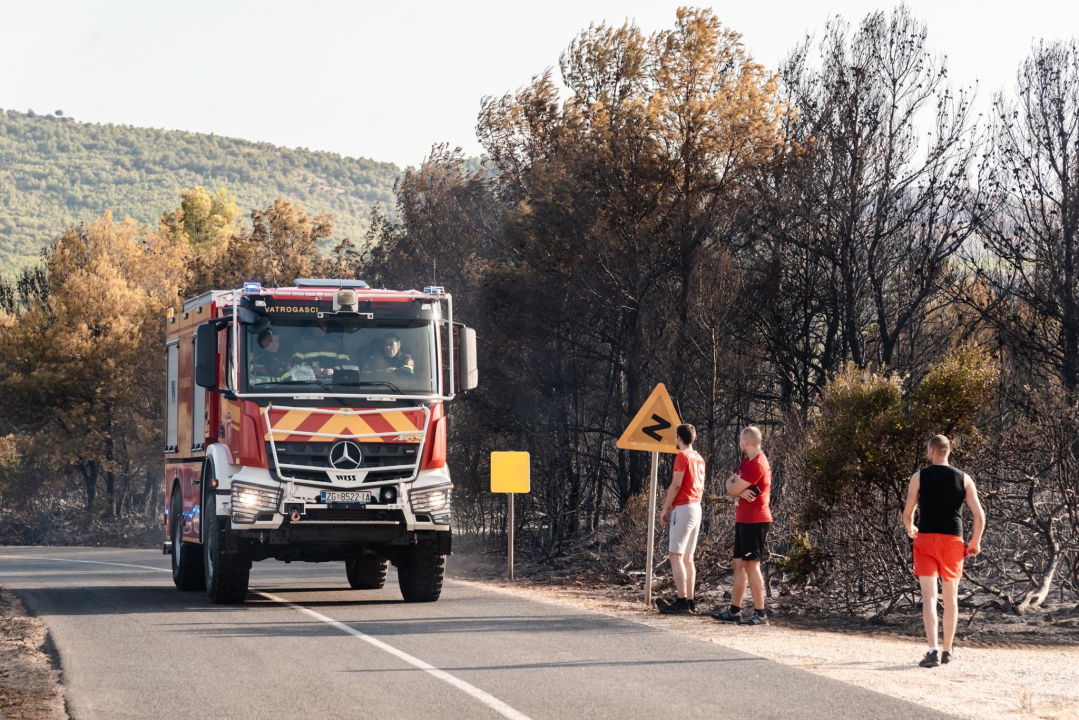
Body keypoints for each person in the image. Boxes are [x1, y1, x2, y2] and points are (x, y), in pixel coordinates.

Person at [903, 435, 985, 668]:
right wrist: (975, 543)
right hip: (953, 541)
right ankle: (948, 650)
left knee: (929, 597)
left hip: (926, 539)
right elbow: (979, 516)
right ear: (948, 451)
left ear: (931, 450)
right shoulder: (964, 478)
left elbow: (908, 513)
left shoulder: (919, 477)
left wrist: (910, 528)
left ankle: (932, 652)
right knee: (950, 598)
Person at [713, 426, 772, 626]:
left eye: (740, 440)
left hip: (755, 520)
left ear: (746, 442)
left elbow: (732, 487)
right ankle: (734, 611)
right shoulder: (746, 462)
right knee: (738, 564)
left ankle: (760, 614)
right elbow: (732, 484)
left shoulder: (758, 463)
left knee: (751, 565)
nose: (739, 443)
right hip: (743, 519)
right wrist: (735, 489)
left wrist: (734, 489)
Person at [658, 424, 706, 614]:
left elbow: (676, 484)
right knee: (688, 557)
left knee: (675, 555)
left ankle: (681, 600)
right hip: (696, 506)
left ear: (678, 438)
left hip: (684, 507)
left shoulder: (682, 456)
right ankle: (690, 601)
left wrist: (665, 508)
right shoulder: (699, 458)